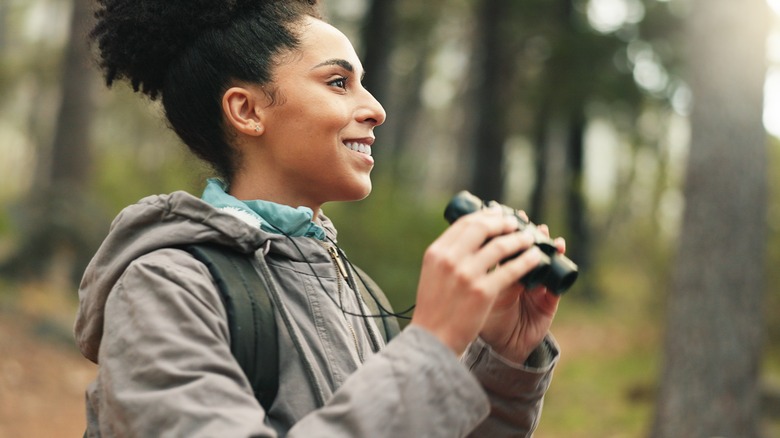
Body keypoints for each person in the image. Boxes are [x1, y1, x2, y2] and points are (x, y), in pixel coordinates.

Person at [74, 0, 564, 436]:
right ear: (246, 110)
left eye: (362, 85)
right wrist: (431, 346)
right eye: (338, 82)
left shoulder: (353, 290)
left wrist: (502, 358)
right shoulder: (163, 288)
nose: (375, 109)